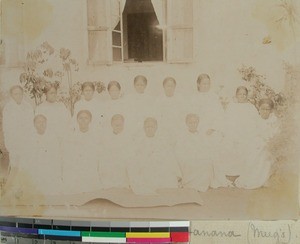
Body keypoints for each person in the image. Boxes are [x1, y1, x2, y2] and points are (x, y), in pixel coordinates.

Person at [212, 86, 261, 188]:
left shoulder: (250, 107)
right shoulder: (232, 106)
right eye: (240, 94)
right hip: (233, 134)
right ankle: (230, 176)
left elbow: (255, 123)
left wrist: (248, 134)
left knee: (247, 148)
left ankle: (242, 175)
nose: (242, 96)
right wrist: (230, 134)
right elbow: (227, 122)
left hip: (247, 135)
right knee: (227, 147)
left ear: (247, 95)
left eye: (244, 94)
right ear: (236, 95)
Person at [128, 117, 181, 195]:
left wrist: (177, 174)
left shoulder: (162, 141)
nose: (149, 129)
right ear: (144, 128)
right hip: (144, 168)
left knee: (168, 177)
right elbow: (134, 159)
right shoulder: (139, 142)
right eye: (147, 127)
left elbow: (169, 157)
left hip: (158, 168)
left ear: (156, 128)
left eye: (152, 127)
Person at [62, 110, 102, 194]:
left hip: (90, 166)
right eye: (81, 118)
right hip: (76, 166)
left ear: (90, 120)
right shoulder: (72, 136)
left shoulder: (95, 136)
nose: (83, 120)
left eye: (86, 118)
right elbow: (69, 155)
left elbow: (98, 155)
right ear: (77, 120)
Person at [175, 114, 214, 192]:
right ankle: (190, 184)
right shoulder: (183, 136)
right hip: (187, 157)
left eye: (195, 122)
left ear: (198, 123)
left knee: (205, 162)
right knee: (190, 163)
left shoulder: (201, 135)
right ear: (187, 123)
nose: (193, 124)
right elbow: (180, 150)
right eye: (190, 123)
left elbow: (205, 148)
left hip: (199, 156)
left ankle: (201, 185)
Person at [2, 85, 34, 168]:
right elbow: (6, 128)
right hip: (14, 141)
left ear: (23, 94)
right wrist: (9, 143)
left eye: (20, 93)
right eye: (15, 94)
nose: (18, 96)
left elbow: (31, 125)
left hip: (26, 140)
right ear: (11, 95)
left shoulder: (28, 106)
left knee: (26, 164)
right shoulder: (8, 108)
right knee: (15, 165)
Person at [99, 114, 131, 189]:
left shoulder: (127, 138)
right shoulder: (106, 138)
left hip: (123, 164)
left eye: (120, 125)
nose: (118, 127)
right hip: (110, 163)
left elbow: (129, 154)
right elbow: (103, 153)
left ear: (123, 124)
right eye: (116, 125)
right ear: (111, 125)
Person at [155, 77, 186, 143]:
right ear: (164, 87)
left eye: (172, 86)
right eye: (168, 86)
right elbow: (157, 116)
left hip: (177, 127)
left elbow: (182, 115)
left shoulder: (180, 99)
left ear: (175, 87)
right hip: (163, 127)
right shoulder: (159, 100)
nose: (170, 88)